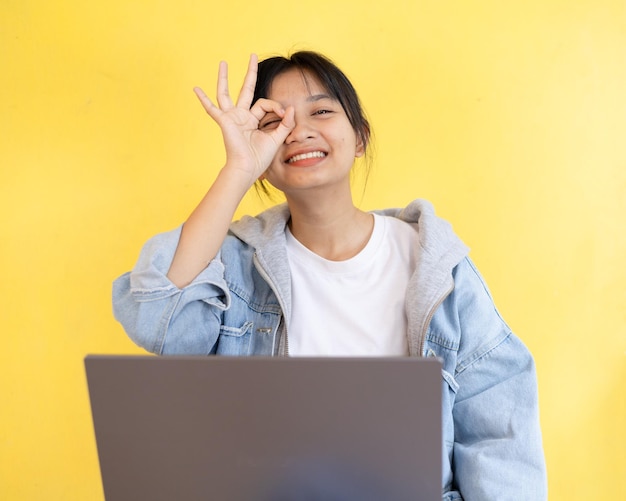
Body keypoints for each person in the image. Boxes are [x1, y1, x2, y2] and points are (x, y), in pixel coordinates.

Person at [112, 51, 547, 500]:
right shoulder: (234, 266)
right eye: (274, 122)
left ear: (359, 138)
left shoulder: (434, 265)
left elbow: (500, 435)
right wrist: (238, 169)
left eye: (321, 111)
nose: (298, 131)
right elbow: (158, 322)